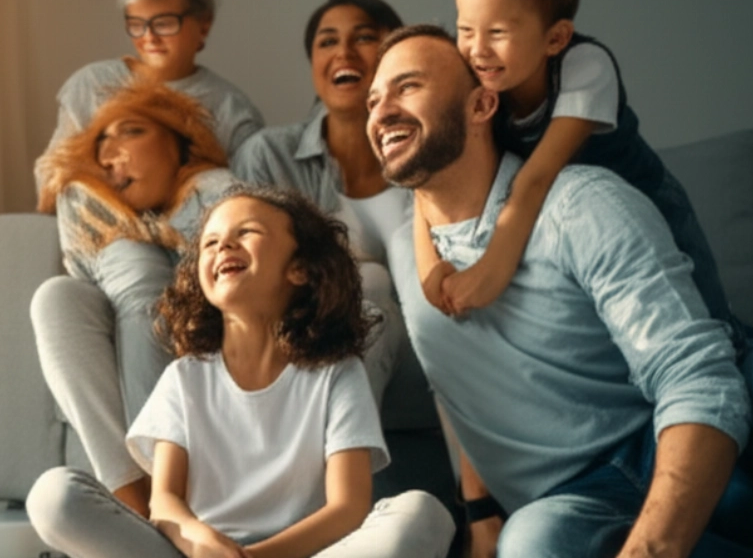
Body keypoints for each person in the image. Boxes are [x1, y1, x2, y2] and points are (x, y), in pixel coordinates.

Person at [363, 24, 753, 557]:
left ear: (481, 105)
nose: (380, 111)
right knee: (532, 543)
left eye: (407, 86)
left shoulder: (581, 206)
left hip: (683, 443)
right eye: (374, 100)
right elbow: (458, 383)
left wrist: (650, 549)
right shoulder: (404, 254)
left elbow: (697, 379)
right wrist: (481, 513)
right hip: (575, 502)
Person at [27, 185, 456, 558]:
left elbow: (347, 508)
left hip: (294, 555)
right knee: (55, 497)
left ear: (300, 269)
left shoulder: (337, 375)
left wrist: (253, 557)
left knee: (424, 515)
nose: (222, 247)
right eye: (210, 243)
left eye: (245, 233)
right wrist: (199, 540)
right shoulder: (185, 377)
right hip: (195, 554)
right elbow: (165, 503)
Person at [414, 0, 730, 333]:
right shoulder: (477, 76)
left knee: (712, 327)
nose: (477, 50)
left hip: (646, 207)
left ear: (556, 38)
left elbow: (535, 178)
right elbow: (429, 173)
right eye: (466, 30)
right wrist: (430, 268)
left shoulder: (586, 66)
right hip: (565, 227)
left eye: (497, 33)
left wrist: (491, 268)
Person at [33, 77, 237, 517]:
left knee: (139, 264)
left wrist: (153, 249)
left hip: (212, 338)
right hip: (118, 310)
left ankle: (165, 496)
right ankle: (136, 503)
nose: (110, 155)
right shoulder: (96, 214)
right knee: (56, 299)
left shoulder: (215, 188)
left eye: (131, 131)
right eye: (100, 143)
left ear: (179, 142)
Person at [232, 0, 406, 405]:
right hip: (306, 347)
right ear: (313, 64)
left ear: (396, 54)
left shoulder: (429, 152)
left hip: (421, 353)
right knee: (371, 279)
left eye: (363, 38)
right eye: (327, 41)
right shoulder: (269, 155)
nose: (344, 51)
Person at [36, 0, 264, 190]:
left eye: (164, 23)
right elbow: (51, 178)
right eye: (136, 25)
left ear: (204, 24)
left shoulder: (233, 110)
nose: (149, 37)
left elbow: (245, 200)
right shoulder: (91, 85)